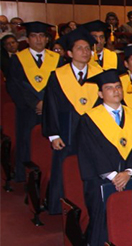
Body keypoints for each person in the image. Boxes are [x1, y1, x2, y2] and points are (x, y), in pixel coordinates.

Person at [76, 70, 132, 246]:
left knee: (129, 220)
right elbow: (91, 152)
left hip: (130, 178)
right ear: (100, 93)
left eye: (118, 87)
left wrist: (129, 172)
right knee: (100, 222)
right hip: (100, 181)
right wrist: (113, 175)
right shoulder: (90, 119)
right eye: (110, 88)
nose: (116, 91)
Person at [42, 28, 104, 215]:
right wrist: (53, 134)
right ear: (69, 53)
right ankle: (59, 206)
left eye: (88, 48)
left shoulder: (99, 74)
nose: (85, 52)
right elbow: (50, 106)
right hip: (66, 130)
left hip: (93, 133)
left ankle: (89, 207)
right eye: (80, 48)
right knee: (64, 168)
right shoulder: (58, 75)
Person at [5, 21, 63, 182]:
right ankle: (27, 178)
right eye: (34, 36)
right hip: (27, 110)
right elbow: (14, 85)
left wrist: (48, 104)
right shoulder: (18, 59)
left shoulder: (56, 59)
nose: (38, 40)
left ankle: (49, 177)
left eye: (41, 36)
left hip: (50, 110)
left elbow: (60, 85)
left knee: (50, 141)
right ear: (28, 39)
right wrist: (35, 104)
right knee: (27, 140)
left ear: (47, 39)